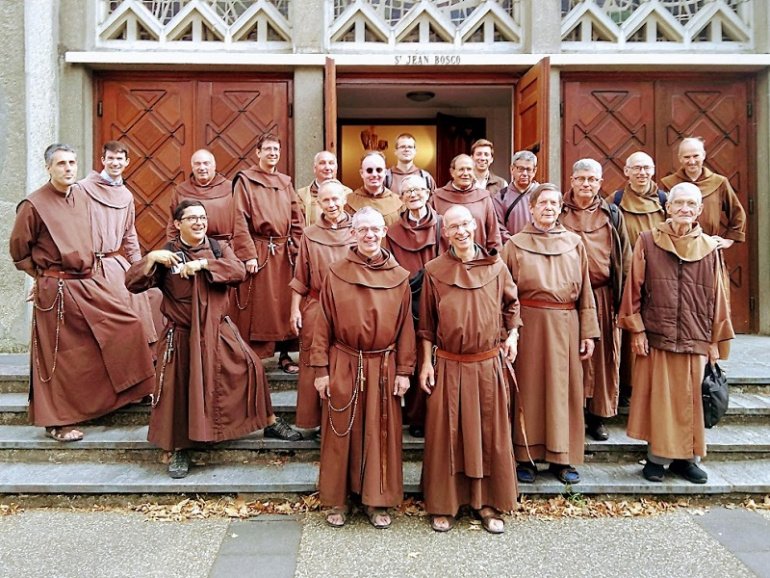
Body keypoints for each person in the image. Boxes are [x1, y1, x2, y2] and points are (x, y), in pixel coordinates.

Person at [127, 200, 300, 478]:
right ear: (177, 224)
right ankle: (180, 449)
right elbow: (132, 283)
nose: (199, 222)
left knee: (251, 367)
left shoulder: (219, 248)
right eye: (192, 218)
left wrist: (204, 264)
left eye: (202, 218)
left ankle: (269, 421)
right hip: (181, 334)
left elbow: (238, 271)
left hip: (219, 328)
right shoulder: (167, 254)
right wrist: (149, 259)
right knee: (178, 390)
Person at [9, 144, 155, 442]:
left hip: (88, 281)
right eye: (61, 163)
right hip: (56, 291)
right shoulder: (33, 205)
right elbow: (19, 252)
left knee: (127, 325)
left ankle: (131, 390)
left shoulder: (81, 196)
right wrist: (41, 278)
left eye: (72, 162)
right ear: (48, 167)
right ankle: (57, 422)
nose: (68, 168)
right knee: (61, 355)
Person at [618, 182, 734, 484]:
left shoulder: (710, 247)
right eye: (678, 203)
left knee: (690, 401)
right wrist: (637, 330)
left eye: (690, 205)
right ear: (668, 208)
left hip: (696, 335)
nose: (684, 209)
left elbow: (719, 297)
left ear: (698, 211)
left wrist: (714, 342)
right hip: (657, 332)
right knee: (660, 400)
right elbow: (634, 288)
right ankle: (656, 459)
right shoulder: (648, 240)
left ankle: (688, 460)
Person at [310, 207, 416, 529]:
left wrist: (404, 371)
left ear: (384, 232)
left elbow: (406, 329)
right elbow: (323, 322)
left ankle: (376, 500)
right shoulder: (336, 271)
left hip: (383, 364)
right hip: (343, 361)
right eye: (363, 230)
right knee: (341, 431)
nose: (369, 235)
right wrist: (320, 369)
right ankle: (338, 499)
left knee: (379, 433)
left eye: (375, 229)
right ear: (353, 234)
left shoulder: (399, 276)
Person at [418, 205, 520, 534]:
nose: (460, 231)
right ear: (444, 233)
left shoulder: (496, 265)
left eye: (465, 224)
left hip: (487, 364)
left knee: (488, 435)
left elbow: (511, 305)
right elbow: (426, 326)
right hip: (448, 363)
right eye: (453, 227)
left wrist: (514, 335)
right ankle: (445, 504)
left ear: (474, 226)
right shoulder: (433, 270)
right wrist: (425, 363)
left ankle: (486, 503)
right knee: (447, 435)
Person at [502, 183, 599, 485]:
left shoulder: (574, 243)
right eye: (542, 202)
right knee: (528, 390)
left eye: (554, 203)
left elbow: (586, 290)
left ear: (560, 208)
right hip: (528, 326)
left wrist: (588, 331)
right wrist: (509, 332)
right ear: (531, 208)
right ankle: (525, 455)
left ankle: (562, 457)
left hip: (566, 325)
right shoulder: (515, 244)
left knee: (565, 391)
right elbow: (505, 294)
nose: (548, 207)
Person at [561, 159, 631, 441]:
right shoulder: (558, 211)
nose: (586, 184)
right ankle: (570, 414)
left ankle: (597, 417)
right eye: (581, 179)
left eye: (592, 179)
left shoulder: (612, 213)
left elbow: (624, 258)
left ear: (600, 182)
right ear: (572, 180)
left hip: (603, 295)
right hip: (568, 299)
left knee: (602, 360)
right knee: (570, 358)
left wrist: (623, 302)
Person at [231, 133, 304, 375]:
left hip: (284, 253)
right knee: (259, 305)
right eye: (268, 149)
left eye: (276, 149)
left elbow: (296, 217)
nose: (273, 153)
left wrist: (297, 248)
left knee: (286, 304)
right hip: (259, 250)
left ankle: (285, 354)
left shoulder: (285, 182)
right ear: (258, 152)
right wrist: (248, 254)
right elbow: (238, 218)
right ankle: (252, 356)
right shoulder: (245, 180)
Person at [289, 180, 356, 435]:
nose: (331, 204)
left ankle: (343, 415)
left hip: (350, 306)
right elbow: (300, 277)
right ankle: (315, 421)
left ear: (344, 199)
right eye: (325, 200)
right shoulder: (309, 234)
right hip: (316, 305)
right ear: (318, 203)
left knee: (343, 363)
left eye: (335, 199)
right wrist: (295, 310)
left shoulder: (357, 230)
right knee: (315, 361)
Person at [76, 140, 157, 348]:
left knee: (130, 310)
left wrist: (139, 267)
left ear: (127, 162)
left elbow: (129, 234)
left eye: (119, 159)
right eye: (110, 158)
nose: (115, 163)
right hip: (87, 264)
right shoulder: (83, 189)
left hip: (114, 265)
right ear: (103, 160)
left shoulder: (127, 196)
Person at [383, 174, 442, 438]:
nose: (414, 195)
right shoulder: (393, 232)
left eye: (419, 190)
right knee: (414, 355)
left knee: (439, 358)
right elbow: (388, 265)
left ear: (429, 193)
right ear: (401, 199)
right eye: (407, 192)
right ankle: (416, 416)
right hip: (407, 299)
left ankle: (438, 414)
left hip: (441, 299)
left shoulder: (443, 225)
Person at [608, 151, 667, 406]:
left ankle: (652, 389)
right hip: (627, 278)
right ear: (626, 172)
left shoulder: (666, 200)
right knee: (627, 334)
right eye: (636, 168)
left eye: (646, 168)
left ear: (653, 171)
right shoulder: (616, 201)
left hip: (659, 278)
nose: (642, 173)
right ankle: (625, 388)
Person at [660, 137, 746, 249]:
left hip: (708, 246)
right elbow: (658, 217)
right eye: (686, 157)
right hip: (675, 247)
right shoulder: (669, 184)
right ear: (680, 158)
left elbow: (737, 213)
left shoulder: (719, 183)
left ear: (703, 155)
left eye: (696, 156)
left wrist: (729, 240)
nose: (691, 161)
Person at [431, 154, 502, 253]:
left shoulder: (484, 198)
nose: (465, 173)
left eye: (469, 169)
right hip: (446, 262)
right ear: (452, 172)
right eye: (461, 169)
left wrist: (495, 259)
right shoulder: (437, 197)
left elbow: (493, 234)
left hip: (478, 261)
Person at [166, 149, 234, 242]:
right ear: (192, 167)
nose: (202, 168)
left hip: (225, 245)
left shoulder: (231, 189)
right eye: (197, 164)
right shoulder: (181, 190)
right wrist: (172, 247)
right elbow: (173, 225)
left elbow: (241, 223)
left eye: (206, 163)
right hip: (190, 247)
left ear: (214, 166)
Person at [344, 151, 403, 226]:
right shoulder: (348, 202)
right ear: (362, 173)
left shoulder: (399, 203)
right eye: (369, 170)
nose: (374, 174)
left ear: (385, 172)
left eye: (379, 170)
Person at [295, 151, 352, 227]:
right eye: (322, 163)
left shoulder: (347, 193)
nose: (327, 167)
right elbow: (298, 226)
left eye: (331, 163)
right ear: (315, 168)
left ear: (336, 167)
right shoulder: (302, 195)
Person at [493, 150, 539, 242]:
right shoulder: (501, 197)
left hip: (538, 247)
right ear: (512, 169)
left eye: (529, 169)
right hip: (511, 248)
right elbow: (498, 226)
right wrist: (514, 242)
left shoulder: (542, 194)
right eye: (521, 169)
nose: (525, 174)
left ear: (534, 171)